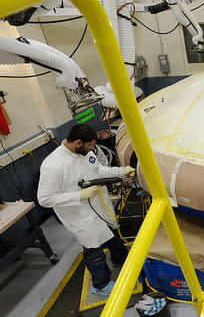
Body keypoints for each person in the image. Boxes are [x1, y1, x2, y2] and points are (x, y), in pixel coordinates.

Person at [38, 124, 135, 296]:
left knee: (113, 231)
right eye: (90, 145)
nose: (92, 148)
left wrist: (121, 171)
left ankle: (119, 259)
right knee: (94, 248)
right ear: (77, 142)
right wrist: (79, 195)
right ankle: (100, 284)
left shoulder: (86, 153)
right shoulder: (53, 165)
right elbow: (44, 199)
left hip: (100, 204)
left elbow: (98, 171)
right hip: (80, 215)